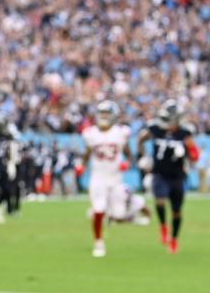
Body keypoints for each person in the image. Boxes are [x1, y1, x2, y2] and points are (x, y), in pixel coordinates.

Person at [136, 100, 200, 254]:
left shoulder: (184, 133)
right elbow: (141, 140)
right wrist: (144, 156)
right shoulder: (156, 129)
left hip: (177, 176)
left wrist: (186, 153)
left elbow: (195, 155)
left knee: (177, 211)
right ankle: (164, 226)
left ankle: (174, 239)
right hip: (160, 174)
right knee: (160, 201)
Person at [76, 100, 133, 257]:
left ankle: (125, 206)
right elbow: (87, 152)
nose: (104, 117)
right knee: (99, 210)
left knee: (119, 214)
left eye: (107, 114)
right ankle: (99, 243)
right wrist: (82, 164)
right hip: (98, 177)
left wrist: (127, 163)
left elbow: (129, 153)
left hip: (116, 178)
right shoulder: (91, 134)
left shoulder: (120, 133)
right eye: (102, 114)